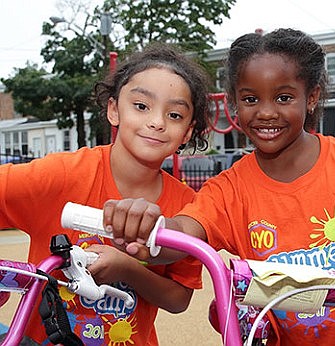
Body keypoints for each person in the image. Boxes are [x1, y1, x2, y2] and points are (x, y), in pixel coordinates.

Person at [103, 29, 335, 345]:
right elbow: (182, 235)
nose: (266, 113)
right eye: (251, 99)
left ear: (311, 97)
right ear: (234, 104)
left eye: (283, 98)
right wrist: (149, 228)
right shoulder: (229, 189)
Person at [0, 42, 211, 345]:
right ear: (114, 109)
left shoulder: (186, 207)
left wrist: (128, 269)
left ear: (188, 132)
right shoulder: (62, 175)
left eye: (175, 115)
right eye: (141, 106)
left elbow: (179, 299)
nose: (157, 121)